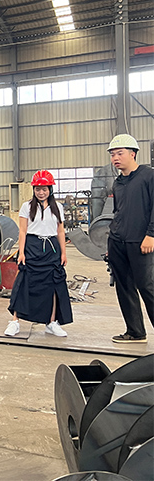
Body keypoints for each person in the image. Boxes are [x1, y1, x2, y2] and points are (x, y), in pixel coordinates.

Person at [5, 170, 71, 337]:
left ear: (50, 189)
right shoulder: (26, 207)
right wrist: (21, 252)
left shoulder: (58, 208)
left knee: (54, 285)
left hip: (52, 249)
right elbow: (22, 231)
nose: (41, 192)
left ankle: (51, 322)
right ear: (34, 189)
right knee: (24, 283)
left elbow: (60, 231)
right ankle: (14, 322)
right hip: (32, 247)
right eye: (38, 189)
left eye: (44, 189)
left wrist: (63, 253)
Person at [106, 134, 154, 343]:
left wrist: (151, 235)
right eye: (112, 155)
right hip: (118, 242)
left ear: (133, 154)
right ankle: (135, 331)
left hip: (140, 241)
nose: (115, 158)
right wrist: (111, 241)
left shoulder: (148, 176)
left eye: (120, 153)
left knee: (147, 286)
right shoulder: (118, 183)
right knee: (124, 287)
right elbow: (118, 212)